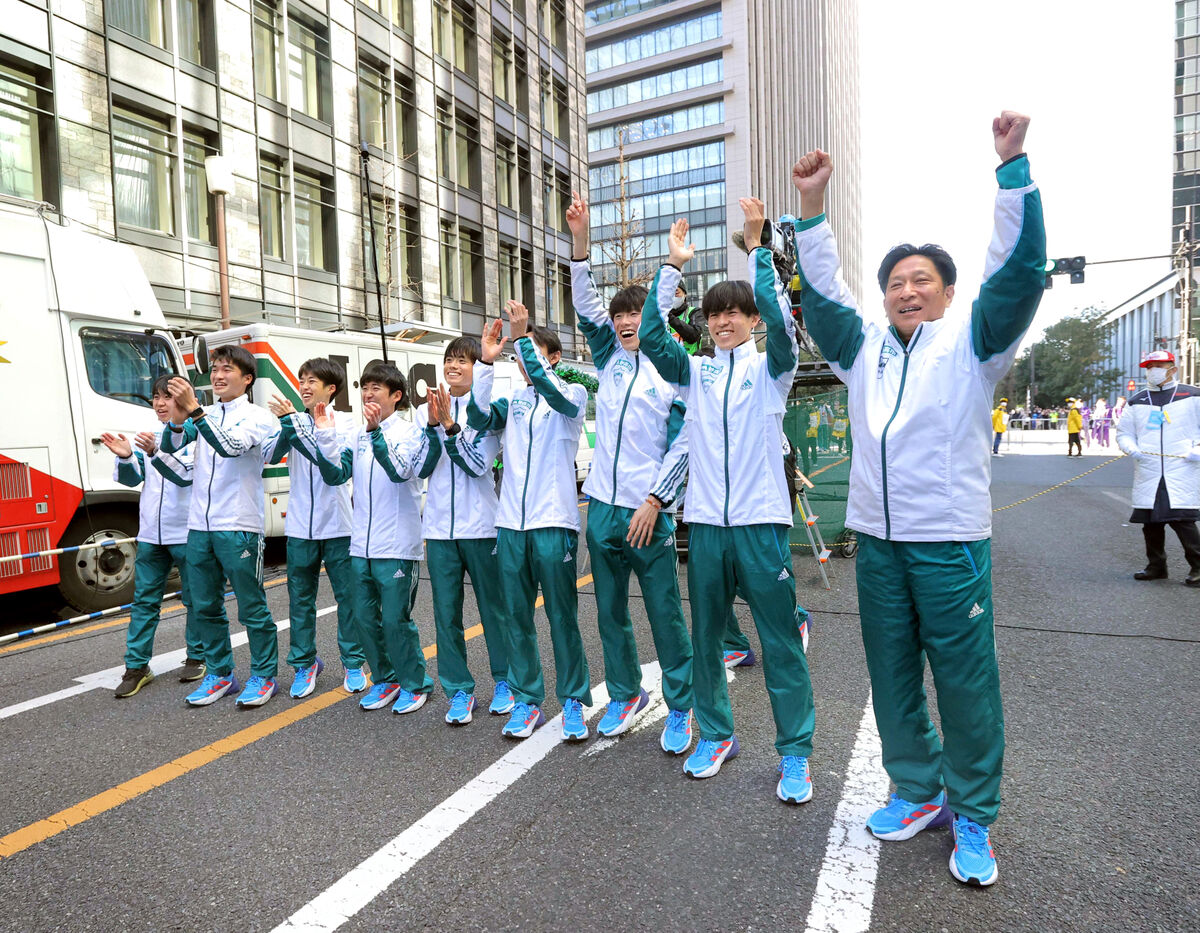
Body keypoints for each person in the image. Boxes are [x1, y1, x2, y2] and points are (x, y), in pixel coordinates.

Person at [791, 110, 1045, 886]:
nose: (906, 290)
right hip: (877, 543)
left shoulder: (974, 345)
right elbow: (824, 300)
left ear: (947, 292)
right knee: (893, 675)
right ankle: (917, 790)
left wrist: (1012, 170)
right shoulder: (864, 350)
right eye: (896, 283)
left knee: (965, 685)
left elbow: (1018, 275)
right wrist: (811, 209)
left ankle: (973, 813)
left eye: (920, 280)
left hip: (949, 543)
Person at [639, 199, 816, 805]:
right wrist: (672, 267)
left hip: (761, 525)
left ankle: (795, 753)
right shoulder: (696, 373)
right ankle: (717, 735)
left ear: (752, 319)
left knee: (780, 643)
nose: (722, 322)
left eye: (733, 313)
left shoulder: (772, 371)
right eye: (714, 315)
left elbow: (783, 323)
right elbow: (651, 337)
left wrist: (758, 248)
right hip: (707, 527)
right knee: (708, 638)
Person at [567, 193, 695, 752]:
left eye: (633, 315)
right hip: (602, 507)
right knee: (609, 612)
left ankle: (682, 706)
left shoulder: (673, 372)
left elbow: (685, 442)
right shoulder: (609, 360)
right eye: (619, 316)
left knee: (665, 614)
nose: (623, 322)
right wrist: (579, 243)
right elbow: (586, 305)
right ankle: (625, 694)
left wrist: (657, 500)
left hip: (649, 511)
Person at [467, 302, 591, 741]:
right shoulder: (514, 402)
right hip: (511, 527)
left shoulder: (572, 396)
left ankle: (573, 701)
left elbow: (552, 392)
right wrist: (485, 363)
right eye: (518, 353)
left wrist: (521, 338)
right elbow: (477, 417)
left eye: (531, 351)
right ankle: (526, 700)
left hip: (554, 521)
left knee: (562, 618)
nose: (521, 359)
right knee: (516, 619)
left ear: (552, 357)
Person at [160, 347, 281, 707]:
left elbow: (231, 446)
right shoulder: (207, 413)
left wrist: (195, 412)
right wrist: (177, 421)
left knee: (251, 606)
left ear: (247, 378)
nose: (218, 375)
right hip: (199, 525)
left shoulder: (259, 417)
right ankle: (220, 673)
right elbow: (173, 450)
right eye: (214, 369)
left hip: (239, 524)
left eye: (227, 369)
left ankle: (263, 675)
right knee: (204, 606)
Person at [415, 339, 515, 724]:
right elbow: (421, 468)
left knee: (495, 611)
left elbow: (476, 466)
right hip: (439, 529)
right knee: (446, 615)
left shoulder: (485, 413)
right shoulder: (426, 410)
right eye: (449, 360)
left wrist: (450, 427)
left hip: (481, 526)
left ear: (477, 368)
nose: (453, 366)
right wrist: (431, 426)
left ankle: (505, 681)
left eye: (462, 360)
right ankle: (458, 690)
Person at [333, 360, 440, 713]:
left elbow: (399, 472)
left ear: (396, 395)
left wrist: (376, 433)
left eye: (375, 388)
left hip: (396, 544)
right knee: (364, 619)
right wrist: (320, 437)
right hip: (360, 545)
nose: (367, 394)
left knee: (395, 620)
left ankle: (415, 683)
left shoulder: (410, 433)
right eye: (364, 388)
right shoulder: (357, 433)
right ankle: (385, 679)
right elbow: (337, 474)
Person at [266, 359, 369, 698]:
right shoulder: (292, 420)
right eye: (302, 380)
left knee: (348, 599)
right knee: (300, 601)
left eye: (312, 381)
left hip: (339, 525)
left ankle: (353, 663)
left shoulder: (348, 424)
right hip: (299, 527)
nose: (304, 386)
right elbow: (270, 454)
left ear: (331, 388)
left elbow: (332, 466)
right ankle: (304, 663)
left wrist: (294, 425)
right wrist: (288, 426)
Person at [103, 376, 212, 698]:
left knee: (195, 599)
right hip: (150, 533)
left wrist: (155, 452)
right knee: (144, 602)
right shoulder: (147, 434)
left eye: (168, 397)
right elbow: (131, 479)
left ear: (184, 399)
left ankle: (197, 656)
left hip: (187, 531)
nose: (160, 403)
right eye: (156, 397)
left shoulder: (198, 436)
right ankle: (137, 667)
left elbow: (184, 478)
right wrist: (126, 456)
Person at [1115, 350, 1200, 586]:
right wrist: (1131, 448)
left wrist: (1198, 450)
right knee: (1151, 523)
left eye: (1158, 366)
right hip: (1149, 468)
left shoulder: (1193, 395)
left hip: (1182, 467)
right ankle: (1156, 566)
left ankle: (1198, 567)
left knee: (1182, 520)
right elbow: (1124, 433)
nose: (1153, 370)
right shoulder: (1137, 400)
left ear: (1173, 368)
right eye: (1149, 366)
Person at [669, 281, 703, 355]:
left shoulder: (695, 312)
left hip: (691, 360)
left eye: (676, 293)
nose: (673, 297)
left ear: (684, 294)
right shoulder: (662, 316)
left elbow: (693, 336)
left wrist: (670, 317)